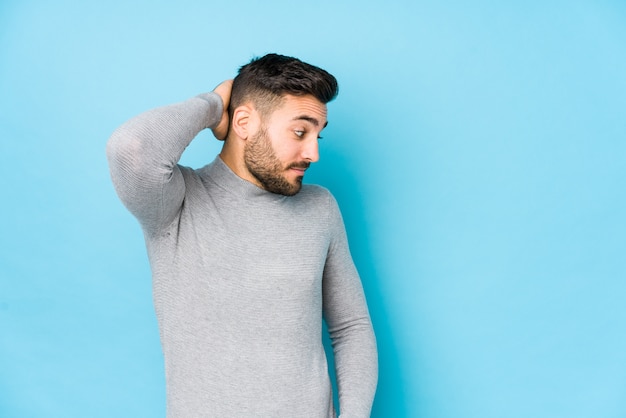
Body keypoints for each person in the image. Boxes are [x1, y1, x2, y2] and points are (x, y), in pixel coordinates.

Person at [106, 53, 378, 417]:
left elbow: (351, 326)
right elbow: (132, 149)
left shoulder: (320, 208)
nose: (312, 152)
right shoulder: (175, 202)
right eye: (300, 131)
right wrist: (214, 103)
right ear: (244, 122)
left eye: (318, 135)